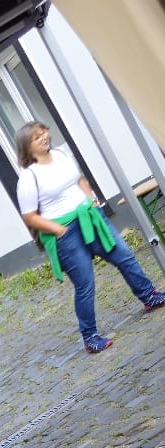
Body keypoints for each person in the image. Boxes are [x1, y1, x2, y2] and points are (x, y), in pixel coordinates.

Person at [15, 119, 165, 354]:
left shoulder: (61, 155)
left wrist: (92, 200)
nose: (44, 137)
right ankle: (90, 337)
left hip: (90, 217)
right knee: (85, 284)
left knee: (124, 256)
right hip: (66, 234)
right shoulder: (28, 177)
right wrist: (59, 230)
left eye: (44, 132)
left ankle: (149, 296)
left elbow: (80, 180)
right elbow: (30, 216)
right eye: (36, 137)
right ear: (27, 147)